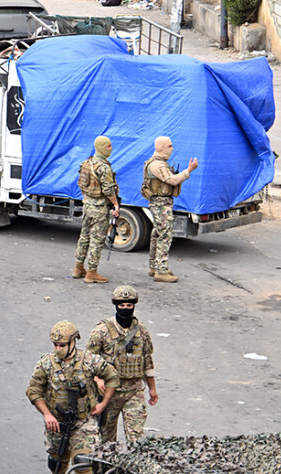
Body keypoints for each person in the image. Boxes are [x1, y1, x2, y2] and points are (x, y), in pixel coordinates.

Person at [27, 321, 118, 474]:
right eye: (55, 344)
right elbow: (33, 390)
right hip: (57, 425)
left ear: (73, 342)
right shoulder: (46, 364)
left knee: (83, 464)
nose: (58, 348)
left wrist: (103, 404)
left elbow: (112, 377)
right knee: (57, 465)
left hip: (83, 423)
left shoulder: (89, 361)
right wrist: (47, 415)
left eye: (62, 345)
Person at [86, 285, 158, 445]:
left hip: (134, 390)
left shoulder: (142, 332)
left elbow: (147, 361)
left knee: (136, 439)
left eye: (129, 305)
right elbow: (89, 359)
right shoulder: (102, 331)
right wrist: (97, 379)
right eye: (122, 305)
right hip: (109, 393)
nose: (125, 308)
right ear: (116, 305)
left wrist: (152, 388)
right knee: (106, 439)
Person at [142, 136, 198, 283]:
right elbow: (172, 180)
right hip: (161, 203)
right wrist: (189, 171)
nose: (172, 149)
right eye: (169, 146)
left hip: (160, 202)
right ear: (161, 148)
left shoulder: (158, 163)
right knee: (165, 235)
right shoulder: (157, 165)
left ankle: (155, 266)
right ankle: (160, 271)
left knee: (157, 233)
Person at [74, 135, 120, 284]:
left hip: (87, 206)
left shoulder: (87, 163)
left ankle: (78, 267)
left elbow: (81, 184)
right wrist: (115, 204)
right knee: (97, 240)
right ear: (101, 147)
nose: (111, 148)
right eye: (108, 146)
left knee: (84, 237)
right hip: (99, 208)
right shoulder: (103, 167)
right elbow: (108, 190)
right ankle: (91, 272)